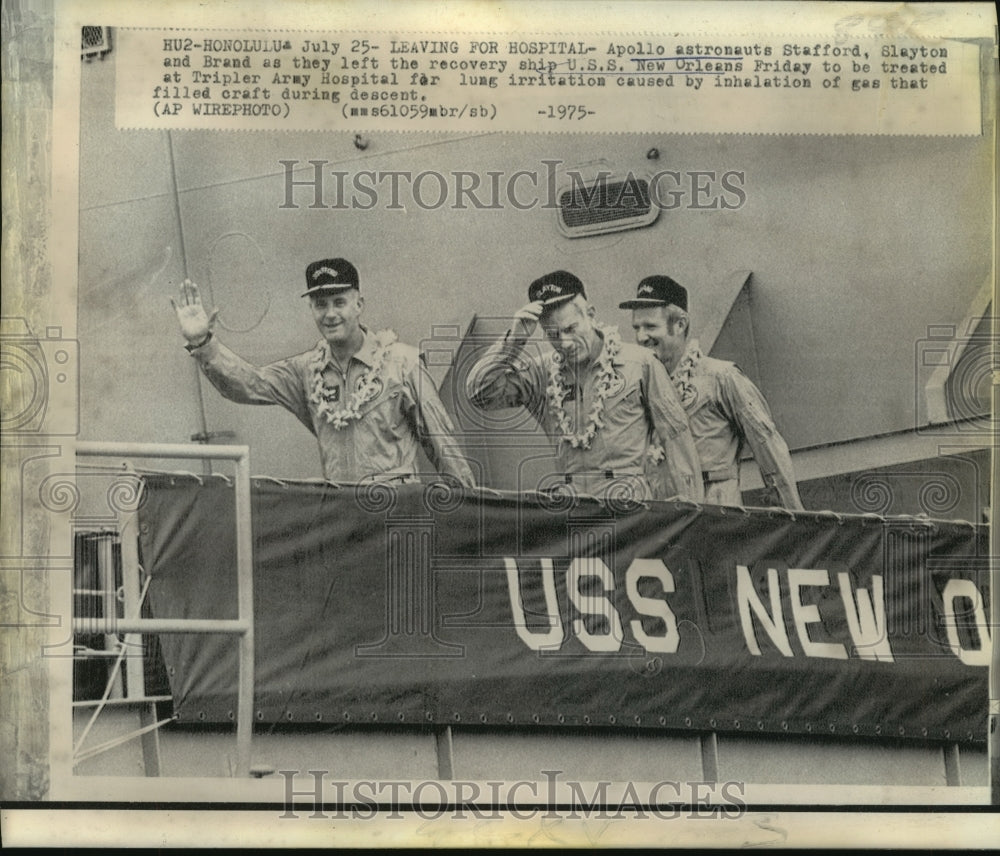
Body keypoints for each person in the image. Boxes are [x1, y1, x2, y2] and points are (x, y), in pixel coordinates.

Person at [171, 258, 475, 487]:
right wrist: (203, 342)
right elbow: (249, 384)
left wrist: (467, 519)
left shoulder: (402, 362)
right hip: (340, 518)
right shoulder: (307, 370)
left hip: (397, 511)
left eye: (339, 302)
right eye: (320, 304)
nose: (330, 314)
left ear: (359, 304)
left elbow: (443, 445)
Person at [466, 270, 703, 502]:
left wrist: (692, 516)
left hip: (629, 509)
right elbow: (479, 393)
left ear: (590, 314)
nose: (565, 343)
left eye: (571, 329)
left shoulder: (639, 363)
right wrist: (514, 340)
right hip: (572, 510)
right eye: (553, 334)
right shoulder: (542, 373)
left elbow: (677, 441)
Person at [620, 275, 803, 509]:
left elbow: (769, 448)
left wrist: (794, 518)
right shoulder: (639, 388)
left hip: (716, 516)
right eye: (636, 327)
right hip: (664, 520)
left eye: (650, 327)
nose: (640, 337)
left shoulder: (721, 378)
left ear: (680, 324)